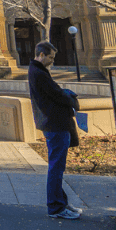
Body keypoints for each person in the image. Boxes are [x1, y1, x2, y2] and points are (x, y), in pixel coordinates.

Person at [27, 41, 83, 220]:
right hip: (55, 125)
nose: (52, 61)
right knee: (56, 168)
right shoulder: (39, 73)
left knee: (57, 167)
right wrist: (69, 98)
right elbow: (57, 95)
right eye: (50, 57)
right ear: (41, 55)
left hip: (53, 124)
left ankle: (61, 202)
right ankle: (56, 208)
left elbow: (55, 93)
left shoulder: (36, 71)